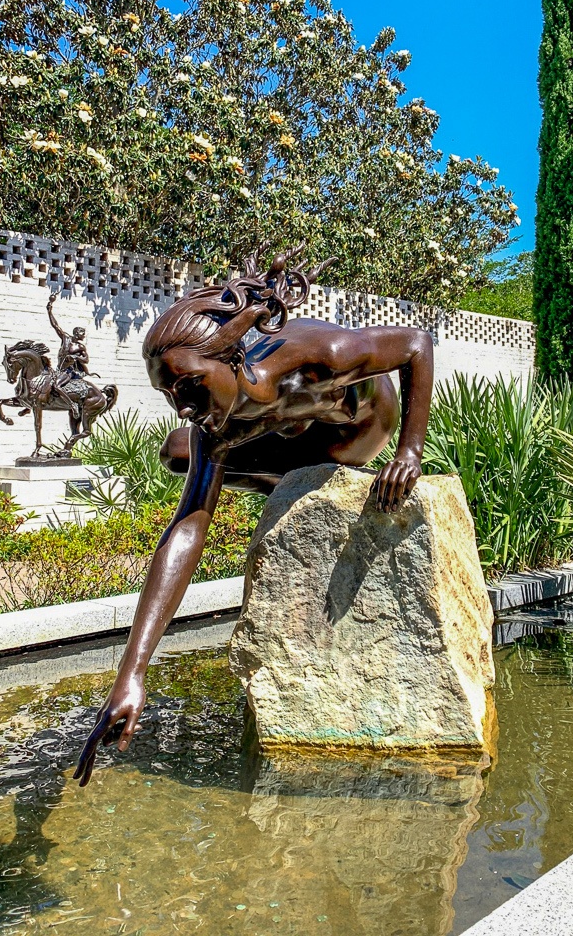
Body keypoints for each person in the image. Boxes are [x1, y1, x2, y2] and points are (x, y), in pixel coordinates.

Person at [74, 247, 433, 785]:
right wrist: (132, 673)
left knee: (197, 448)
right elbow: (187, 528)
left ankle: (291, 478)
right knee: (181, 450)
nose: (183, 404)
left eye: (189, 385)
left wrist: (408, 452)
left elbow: (416, 345)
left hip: (354, 432)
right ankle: (283, 482)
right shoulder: (213, 424)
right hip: (287, 435)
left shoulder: (318, 356)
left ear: (230, 360)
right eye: (169, 392)